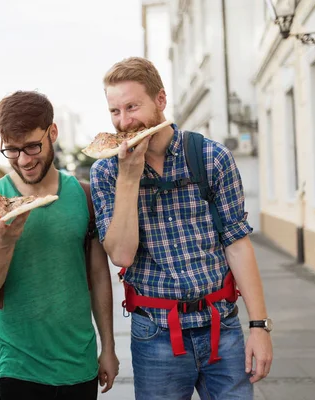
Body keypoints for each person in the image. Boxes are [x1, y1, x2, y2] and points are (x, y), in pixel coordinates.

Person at [90, 57, 273, 399]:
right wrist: (129, 178)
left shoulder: (210, 157)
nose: (124, 122)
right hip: (155, 333)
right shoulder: (106, 172)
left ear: (160, 100)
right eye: (115, 111)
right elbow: (121, 254)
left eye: (132, 107)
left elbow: (237, 245)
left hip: (222, 327)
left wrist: (259, 326)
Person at [0, 91, 119, 400]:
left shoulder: (84, 195)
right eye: (12, 150)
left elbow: (100, 277)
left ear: (53, 132)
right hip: (18, 365)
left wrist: (109, 348)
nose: (23, 159)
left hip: (79, 361)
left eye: (32, 146)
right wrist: (4, 242)